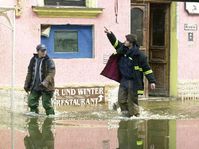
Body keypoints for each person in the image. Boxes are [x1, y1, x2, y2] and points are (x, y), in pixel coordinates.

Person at [104, 27, 156, 117]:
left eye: (126, 40)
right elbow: (115, 42)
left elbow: (147, 69)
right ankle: (125, 116)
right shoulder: (123, 49)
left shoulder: (139, 55)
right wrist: (110, 34)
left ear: (131, 43)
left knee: (132, 102)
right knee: (121, 100)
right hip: (124, 80)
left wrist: (152, 81)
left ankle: (136, 117)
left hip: (134, 82)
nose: (125, 42)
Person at [24, 44, 55, 116]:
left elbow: (52, 73)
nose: (44, 52)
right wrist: (26, 84)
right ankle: (33, 118)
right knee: (31, 102)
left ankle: (51, 118)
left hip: (46, 87)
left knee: (46, 104)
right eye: (42, 51)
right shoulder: (33, 60)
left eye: (45, 50)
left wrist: (45, 82)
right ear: (38, 51)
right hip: (35, 86)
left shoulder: (49, 60)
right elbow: (29, 72)